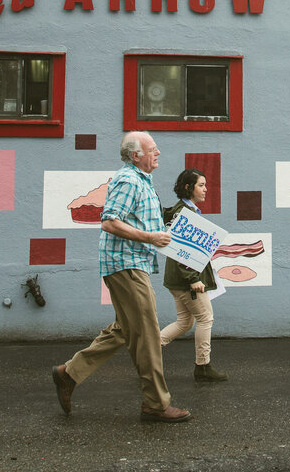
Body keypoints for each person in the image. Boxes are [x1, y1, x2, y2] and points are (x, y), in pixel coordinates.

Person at [51, 131, 192, 422]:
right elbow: (109, 221)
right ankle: (155, 403)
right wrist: (151, 238)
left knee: (127, 328)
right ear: (136, 155)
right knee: (148, 332)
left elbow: (140, 220)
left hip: (132, 263)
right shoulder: (129, 180)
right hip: (126, 264)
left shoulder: (142, 181)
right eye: (153, 148)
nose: (159, 152)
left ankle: (69, 373)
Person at [158, 168, 228, 382]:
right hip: (186, 280)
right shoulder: (184, 213)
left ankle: (147, 353)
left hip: (178, 279)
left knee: (184, 322)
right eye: (201, 185)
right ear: (188, 188)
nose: (206, 189)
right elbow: (182, 252)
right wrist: (193, 279)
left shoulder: (188, 210)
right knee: (206, 318)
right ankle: (203, 367)